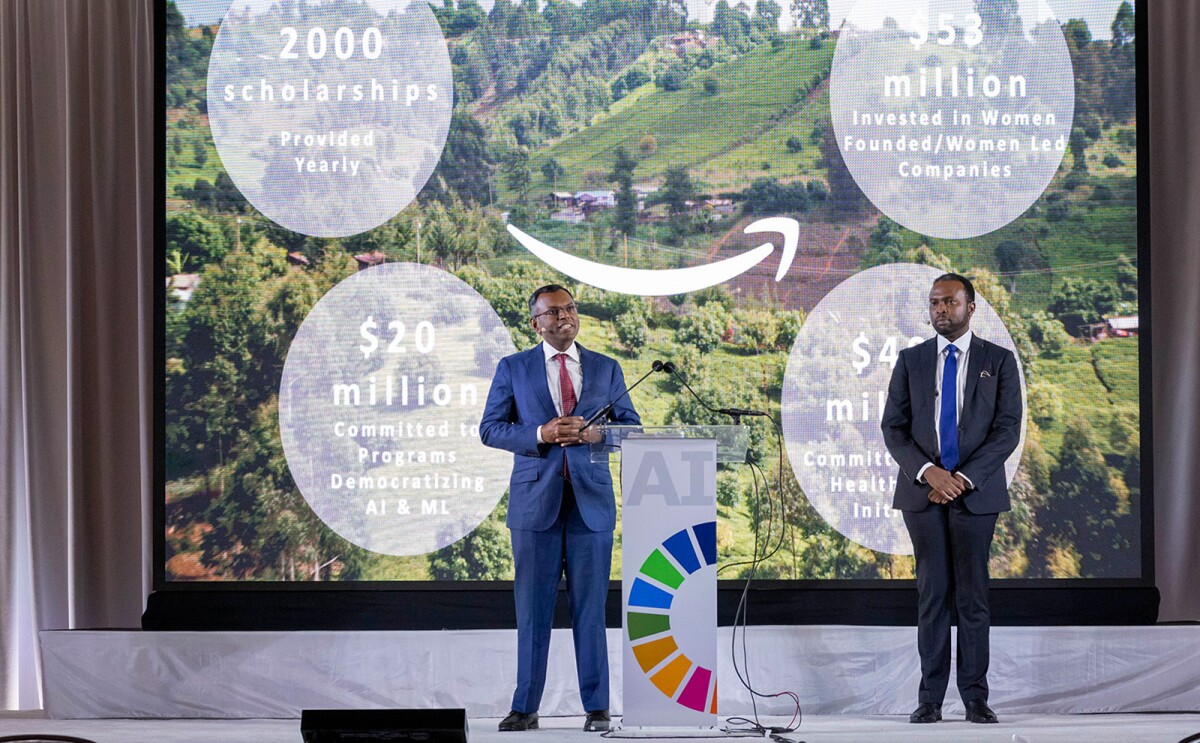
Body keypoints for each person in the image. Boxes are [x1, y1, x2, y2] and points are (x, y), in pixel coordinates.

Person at [480, 284, 641, 733]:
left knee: (591, 610)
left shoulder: (607, 368)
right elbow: (490, 429)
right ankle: (525, 707)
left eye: (570, 309)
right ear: (536, 323)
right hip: (535, 506)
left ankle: (598, 709)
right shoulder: (513, 368)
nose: (565, 317)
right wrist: (541, 434)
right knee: (533, 611)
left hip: (591, 505)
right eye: (554, 312)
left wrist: (596, 436)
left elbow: (632, 428)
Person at [881, 273, 1022, 725]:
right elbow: (893, 428)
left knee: (973, 598)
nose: (941, 310)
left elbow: (1007, 429)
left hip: (975, 495)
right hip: (923, 495)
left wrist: (960, 479)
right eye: (935, 303)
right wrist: (930, 474)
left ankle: (975, 699)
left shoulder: (998, 361)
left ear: (971, 306)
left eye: (951, 302)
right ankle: (931, 700)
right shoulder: (911, 360)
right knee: (932, 596)